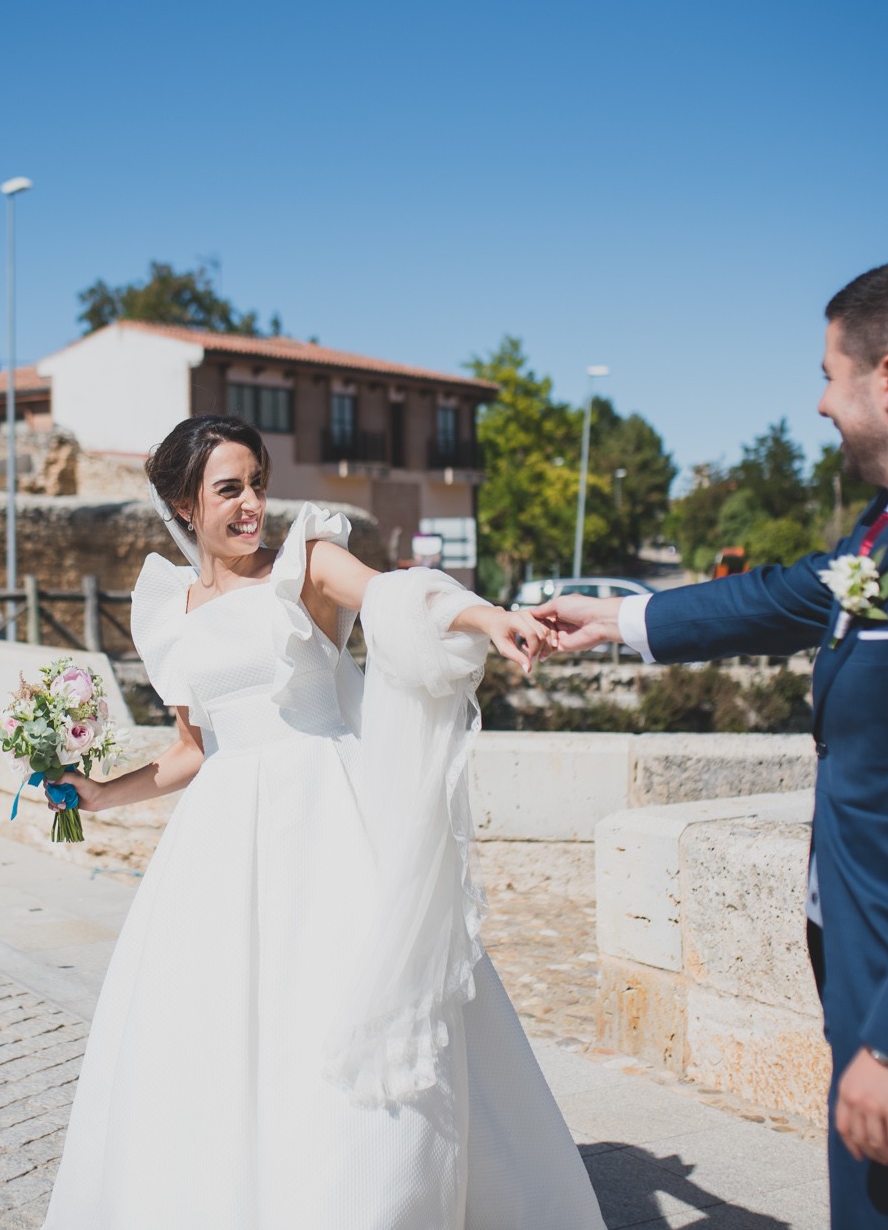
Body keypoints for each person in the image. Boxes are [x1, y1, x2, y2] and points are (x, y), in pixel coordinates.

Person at [537, 256, 888, 1230]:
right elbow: (789, 594)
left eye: (830, 376)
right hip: (874, 978)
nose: (822, 403)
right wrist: (618, 620)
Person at [39, 414, 605, 1229]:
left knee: (354, 1013)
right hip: (222, 844)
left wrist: (488, 618)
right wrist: (99, 794)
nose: (251, 504)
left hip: (331, 820)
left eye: (257, 483)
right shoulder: (171, 609)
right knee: (221, 1037)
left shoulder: (304, 563)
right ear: (183, 503)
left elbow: (398, 593)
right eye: (229, 488)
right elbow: (193, 750)